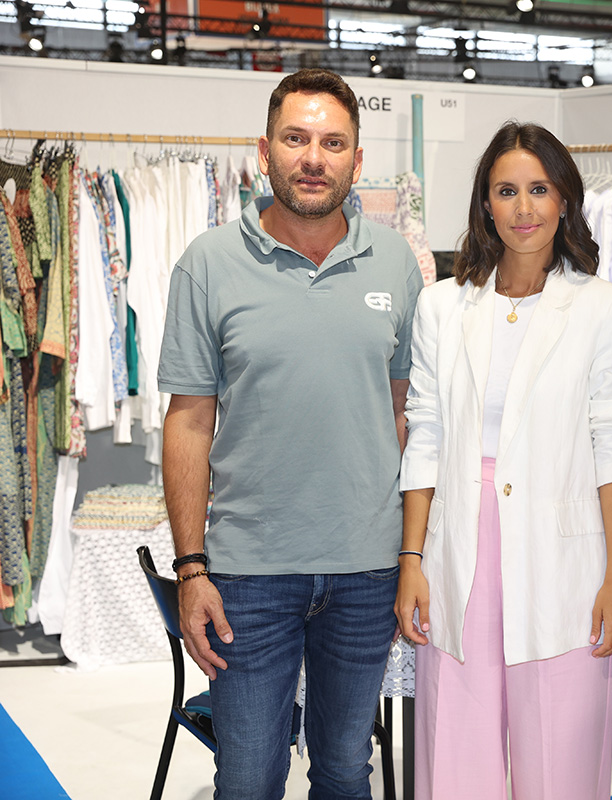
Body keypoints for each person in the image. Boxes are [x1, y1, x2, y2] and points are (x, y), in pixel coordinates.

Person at [159, 69, 423, 799]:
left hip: (366, 571)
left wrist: (410, 553)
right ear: (264, 151)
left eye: (333, 143)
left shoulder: (396, 263)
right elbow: (188, 422)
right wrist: (191, 569)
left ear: (357, 161)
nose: (313, 158)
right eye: (296, 139)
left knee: (345, 771)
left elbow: (404, 415)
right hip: (248, 575)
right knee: (248, 779)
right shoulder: (208, 263)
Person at [395, 121, 612, 800]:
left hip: (566, 562)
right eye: (507, 191)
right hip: (457, 550)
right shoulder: (441, 306)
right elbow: (425, 434)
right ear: (485, 204)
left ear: (564, 200)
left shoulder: (604, 308)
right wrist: (412, 560)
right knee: (453, 759)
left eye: (539, 189)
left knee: (562, 766)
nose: (524, 208)